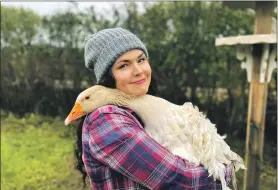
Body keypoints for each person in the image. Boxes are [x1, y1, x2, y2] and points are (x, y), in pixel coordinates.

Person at [74, 27, 232, 189]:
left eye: (141, 60)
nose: (138, 71)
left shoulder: (140, 111)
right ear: (108, 76)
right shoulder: (105, 119)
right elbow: (178, 179)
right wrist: (223, 171)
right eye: (123, 66)